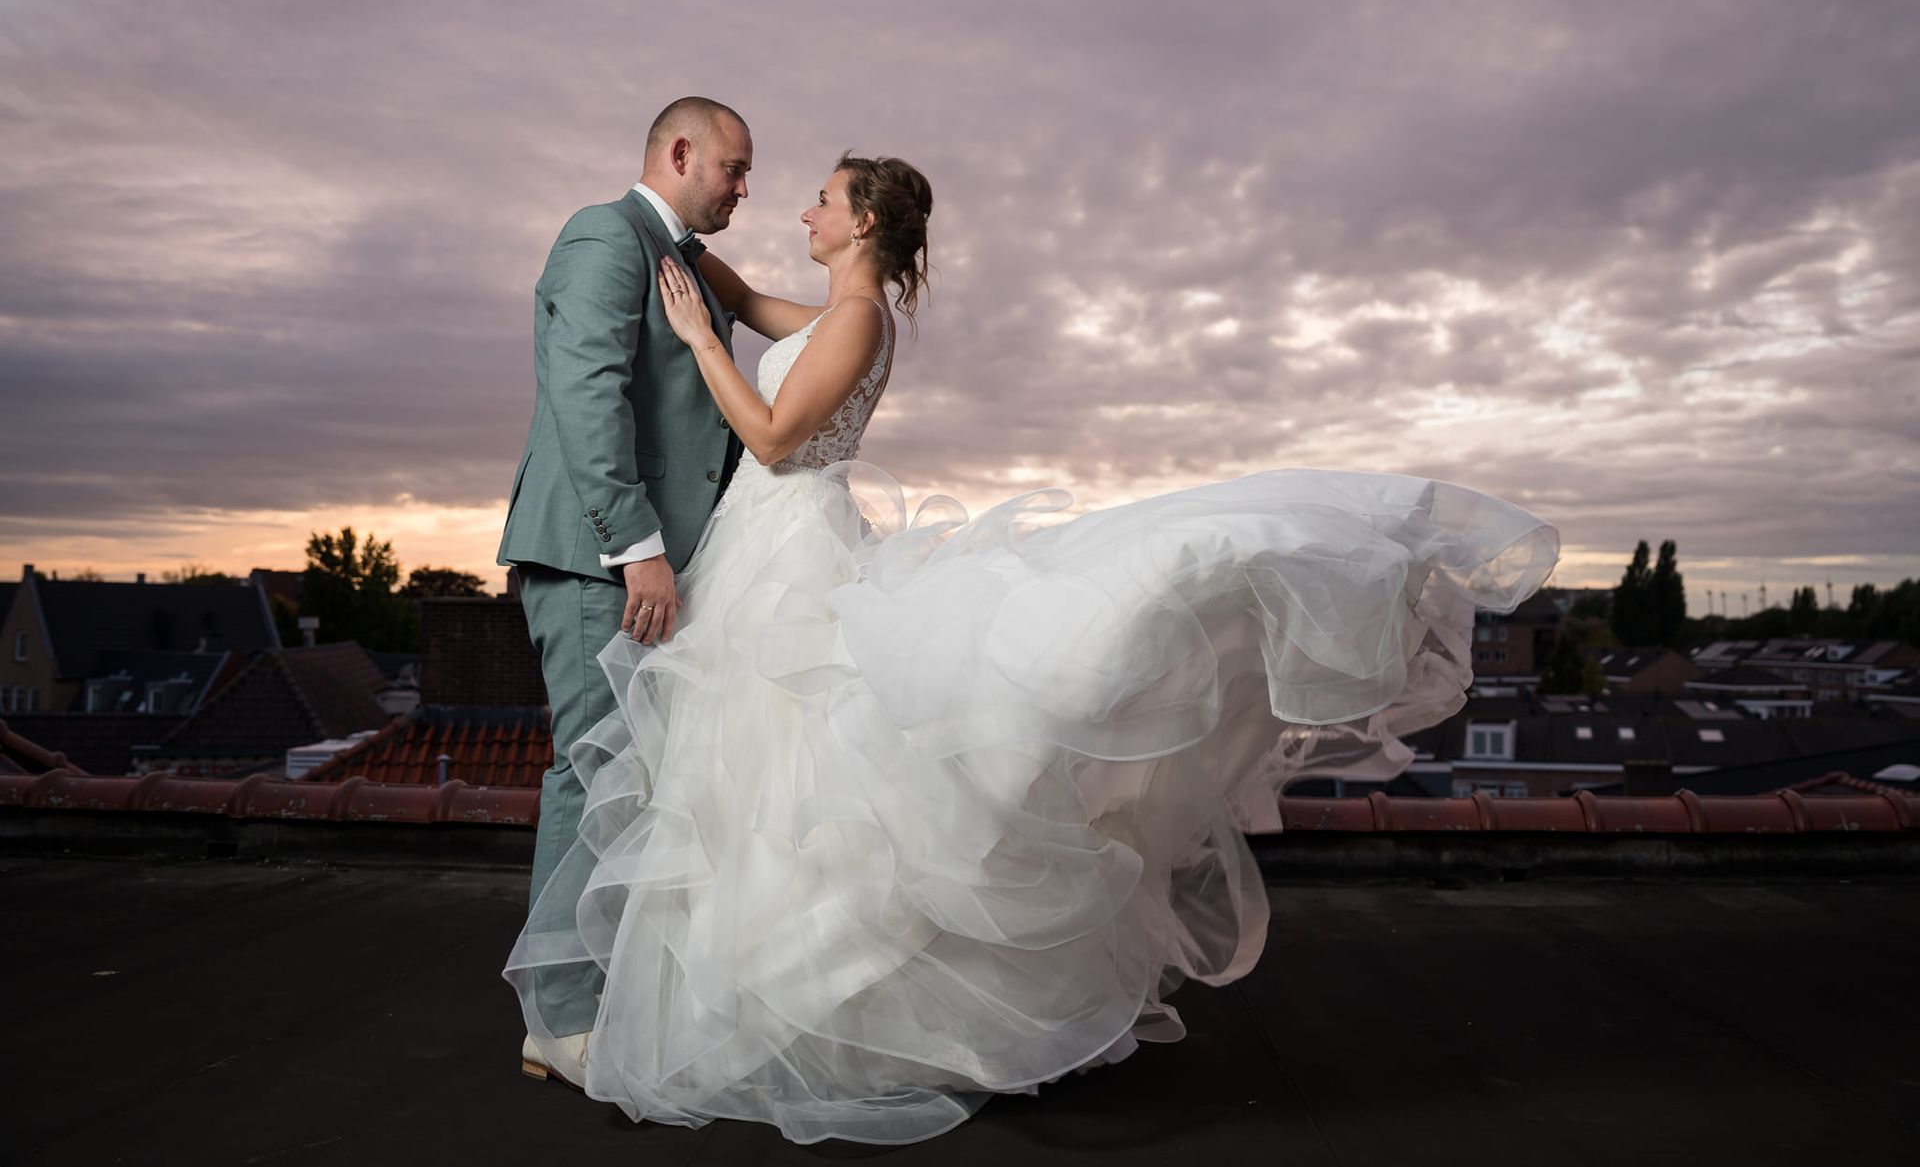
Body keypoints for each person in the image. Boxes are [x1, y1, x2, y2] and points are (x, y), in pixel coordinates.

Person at [505, 152, 1560, 1144]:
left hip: (788, 538)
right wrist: (673, 241)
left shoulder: (859, 318)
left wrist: (694, 344)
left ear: (864, 221)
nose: (801, 210)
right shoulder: (835, 312)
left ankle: (792, 998)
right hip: (754, 550)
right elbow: (739, 300)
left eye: (822, 197)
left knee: (793, 752)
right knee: (740, 763)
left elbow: (777, 440)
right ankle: (724, 979)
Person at [497, 97, 750, 1085]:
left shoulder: (680, 254)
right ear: (678, 151)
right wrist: (637, 545)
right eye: (733, 167)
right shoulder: (606, 234)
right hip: (600, 559)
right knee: (595, 774)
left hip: (653, 566)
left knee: (637, 782)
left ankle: (607, 993)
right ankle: (556, 1019)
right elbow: (585, 389)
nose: (743, 188)